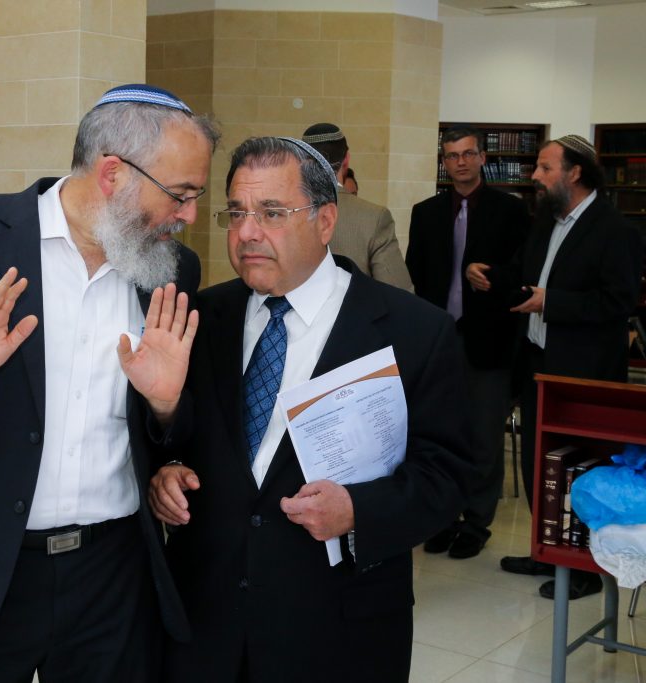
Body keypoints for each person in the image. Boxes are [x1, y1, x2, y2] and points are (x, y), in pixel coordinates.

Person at [0, 84, 217, 682]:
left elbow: (170, 434)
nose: (188, 216)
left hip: (112, 576)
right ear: (112, 174)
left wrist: (165, 405)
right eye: (180, 195)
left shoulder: (171, 271)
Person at [148, 136, 472, 683]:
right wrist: (165, 469)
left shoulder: (413, 332)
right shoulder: (201, 318)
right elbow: (179, 437)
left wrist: (359, 512)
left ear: (325, 221)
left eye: (272, 213)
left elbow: (450, 476)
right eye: (237, 213)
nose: (247, 232)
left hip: (337, 630)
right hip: (209, 626)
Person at [498, 135, 642, 599]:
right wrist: (488, 274)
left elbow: (616, 301)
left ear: (574, 172)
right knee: (539, 458)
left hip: (585, 374)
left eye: (544, 168)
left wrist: (551, 303)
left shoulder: (615, 230)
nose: (534, 177)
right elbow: (527, 275)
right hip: (540, 364)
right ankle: (545, 550)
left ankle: (582, 568)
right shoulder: (546, 224)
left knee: (582, 466)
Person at [406, 125, 531, 559]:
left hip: (488, 341)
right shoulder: (426, 213)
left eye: (467, 154)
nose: (459, 162)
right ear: (444, 161)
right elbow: (415, 278)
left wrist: (493, 278)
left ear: (482, 158)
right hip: (438, 342)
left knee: (481, 436)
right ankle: (444, 517)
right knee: (438, 433)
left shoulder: (511, 212)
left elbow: (523, 273)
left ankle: (477, 522)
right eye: (451, 155)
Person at [302, 123, 412, 291]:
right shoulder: (374, 217)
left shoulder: (276, 211)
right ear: (346, 159)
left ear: (303, 160)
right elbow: (399, 294)